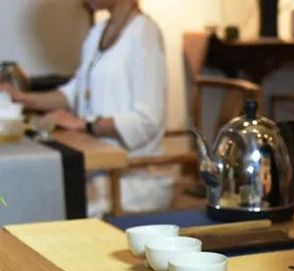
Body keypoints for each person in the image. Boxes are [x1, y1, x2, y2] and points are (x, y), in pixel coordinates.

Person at [0, 0, 171, 217]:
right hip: (95, 171)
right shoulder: (97, 32)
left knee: (49, 205)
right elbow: (73, 93)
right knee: (28, 192)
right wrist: (20, 98)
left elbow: (147, 120)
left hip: (134, 176)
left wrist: (85, 125)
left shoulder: (145, 34)